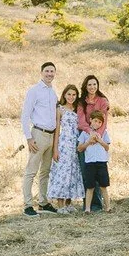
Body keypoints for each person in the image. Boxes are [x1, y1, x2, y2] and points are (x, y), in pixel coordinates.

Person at [20, 62, 59, 216]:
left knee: (45, 172)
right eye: (47, 71)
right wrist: (29, 138)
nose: (49, 74)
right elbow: (25, 116)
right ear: (41, 72)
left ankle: (43, 202)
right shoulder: (34, 91)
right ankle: (28, 205)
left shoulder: (52, 92)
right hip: (38, 135)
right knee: (31, 171)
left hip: (51, 135)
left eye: (52, 71)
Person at [47, 84, 85, 213]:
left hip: (75, 145)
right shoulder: (60, 109)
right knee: (62, 173)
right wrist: (55, 149)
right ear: (64, 95)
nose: (71, 97)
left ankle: (68, 203)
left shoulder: (77, 109)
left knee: (72, 173)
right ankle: (61, 205)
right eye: (69, 94)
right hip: (64, 144)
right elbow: (57, 131)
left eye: (74, 95)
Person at [76, 74, 109, 211]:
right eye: (89, 84)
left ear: (97, 85)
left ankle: (98, 204)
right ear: (85, 86)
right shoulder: (81, 102)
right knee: (86, 170)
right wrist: (90, 135)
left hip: (99, 137)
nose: (92, 87)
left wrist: (97, 136)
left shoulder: (102, 100)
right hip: (85, 135)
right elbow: (81, 121)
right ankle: (89, 204)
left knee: (99, 171)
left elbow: (103, 120)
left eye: (94, 84)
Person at [77, 110, 111, 213]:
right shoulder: (85, 133)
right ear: (91, 120)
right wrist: (88, 142)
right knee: (90, 186)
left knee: (103, 186)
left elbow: (107, 147)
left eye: (100, 122)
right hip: (90, 163)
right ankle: (87, 208)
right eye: (95, 121)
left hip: (101, 162)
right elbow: (79, 148)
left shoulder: (104, 133)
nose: (97, 124)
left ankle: (108, 207)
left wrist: (100, 141)